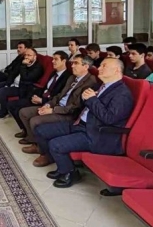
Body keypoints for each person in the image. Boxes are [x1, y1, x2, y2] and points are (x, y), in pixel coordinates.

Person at [33, 58, 134, 188]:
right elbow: (84, 104)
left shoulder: (122, 93)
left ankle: (70, 173)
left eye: (104, 66)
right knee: (41, 130)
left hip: (97, 134)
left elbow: (109, 118)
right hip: (80, 123)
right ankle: (61, 164)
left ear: (116, 70)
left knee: (56, 144)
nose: (99, 68)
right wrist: (86, 98)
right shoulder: (100, 86)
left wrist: (92, 99)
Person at [19, 55, 99, 158]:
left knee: (35, 121)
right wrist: (48, 104)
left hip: (67, 113)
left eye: (76, 63)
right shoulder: (72, 77)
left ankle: (44, 152)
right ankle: (35, 141)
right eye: (72, 63)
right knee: (24, 113)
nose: (72, 66)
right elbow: (59, 95)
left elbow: (75, 107)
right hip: (57, 106)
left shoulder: (90, 82)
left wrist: (52, 110)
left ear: (86, 66)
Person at [8, 51, 72, 138]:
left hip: (49, 102)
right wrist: (37, 96)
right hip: (41, 97)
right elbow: (46, 87)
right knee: (11, 105)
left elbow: (58, 96)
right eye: (53, 59)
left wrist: (42, 100)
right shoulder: (54, 73)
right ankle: (25, 130)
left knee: (20, 110)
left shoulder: (67, 77)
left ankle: (30, 135)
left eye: (56, 59)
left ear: (64, 61)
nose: (53, 61)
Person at [0, 47, 44, 119]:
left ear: (35, 57)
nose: (26, 57)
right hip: (15, 84)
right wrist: (8, 84)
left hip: (24, 89)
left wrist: (23, 66)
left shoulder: (38, 68)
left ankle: (4, 112)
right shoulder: (23, 63)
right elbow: (13, 73)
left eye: (29, 55)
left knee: (2, 91)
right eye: (25, 55)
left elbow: (26, 78)